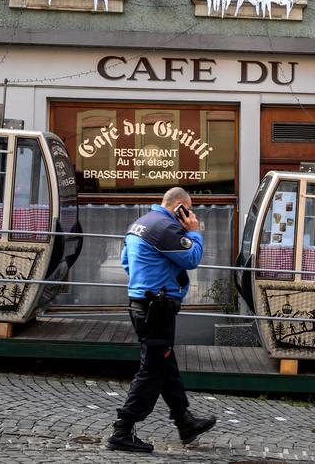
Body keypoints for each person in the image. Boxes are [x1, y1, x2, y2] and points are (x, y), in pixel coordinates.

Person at [107, 187, 217, 452]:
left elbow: (126, 263)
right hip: (157, 307)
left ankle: (184, 421)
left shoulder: (140, 223)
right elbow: (191, 258)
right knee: (152, 370)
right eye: (188, 210)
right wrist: (195, 231)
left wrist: (147, 279)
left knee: (165, 364)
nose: (190, 215)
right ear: (180, 207)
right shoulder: (166, 228)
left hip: (141, 304)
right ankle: (122, 430)